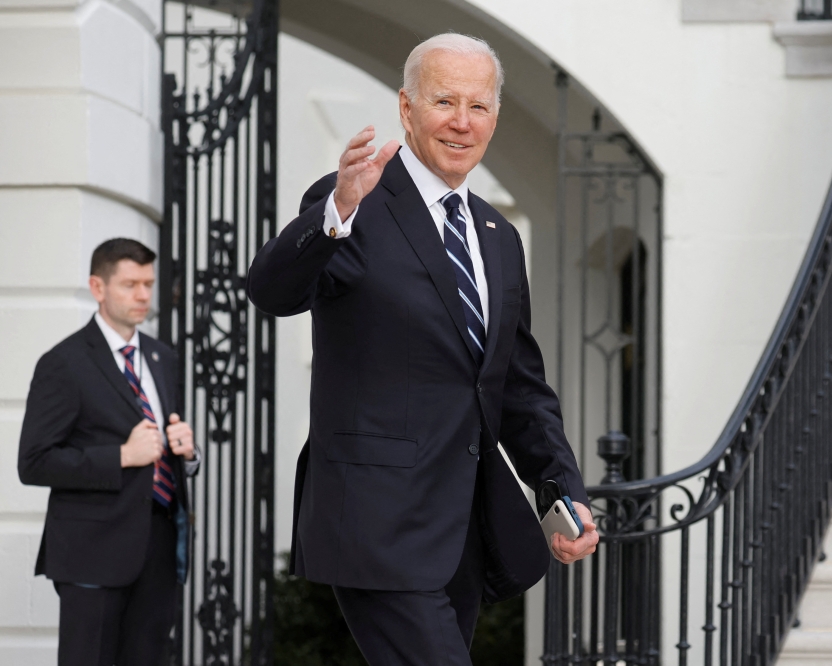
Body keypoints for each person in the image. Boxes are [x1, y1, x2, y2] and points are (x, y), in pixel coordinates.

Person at [247, 33, 599, 665]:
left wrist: (560, 487)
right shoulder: (353, 200)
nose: (462, 122)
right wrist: (336, 211)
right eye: (444, 101)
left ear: (495, 117)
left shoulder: (497, 235)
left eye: (478, 106)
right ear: (407, 108)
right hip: (375, 523)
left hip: (461, 530)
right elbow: (273, 292)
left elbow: (516, 387)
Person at [18, 238, 199, 666]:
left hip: (159, 546)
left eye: (148, 284)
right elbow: (34, 462)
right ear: (97, 287)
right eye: (130, 284)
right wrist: (120, 456)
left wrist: (188, 454)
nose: (142, 295)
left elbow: (164, 445)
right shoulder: (63, 363)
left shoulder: (162, 357)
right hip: (91, 553)